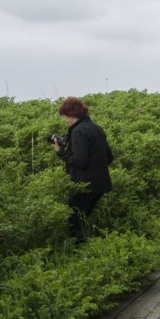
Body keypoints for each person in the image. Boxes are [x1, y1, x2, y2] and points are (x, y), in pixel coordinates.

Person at [52, 96, 114, 243]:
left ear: (71, 114)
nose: (65, 120)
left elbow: (79, 161)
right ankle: (86, 250)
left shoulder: (78, 131)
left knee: (74, 221)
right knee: (81, 219)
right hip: (100, 184)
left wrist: (61, 152)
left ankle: (79, 253)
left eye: (65, 116)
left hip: (85, 185)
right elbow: (109, 157)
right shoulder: (96, 128)